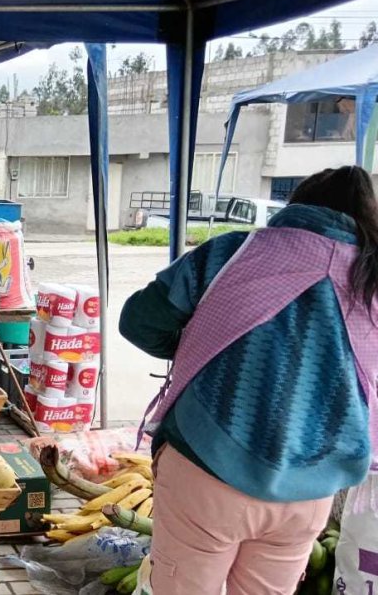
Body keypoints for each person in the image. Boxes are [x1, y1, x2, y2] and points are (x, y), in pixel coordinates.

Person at [120, 166, 378, 595]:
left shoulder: (233, 253)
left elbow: (140, 321)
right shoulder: (369, 280)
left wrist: (202, 344)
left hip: (208, 465)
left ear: (297, 205)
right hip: (309, 491)